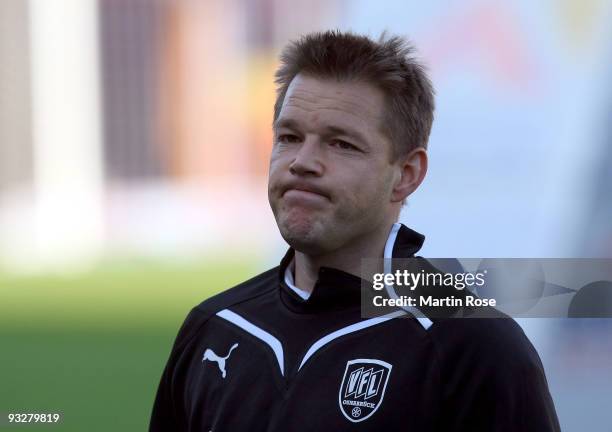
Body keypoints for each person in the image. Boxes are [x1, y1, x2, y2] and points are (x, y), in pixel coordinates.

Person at [150, 30, 560, 431]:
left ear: (406, 174)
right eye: (289, 137)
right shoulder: (215, 327)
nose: (303, 162)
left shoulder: (473, 346)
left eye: (341, 144)